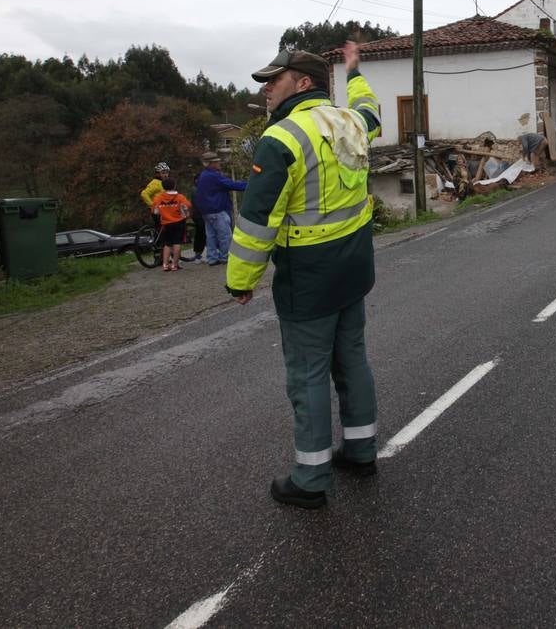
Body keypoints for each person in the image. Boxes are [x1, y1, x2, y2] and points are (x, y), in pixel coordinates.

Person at [228, 42, 382, 510]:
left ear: (304, 83)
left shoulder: (281, 139)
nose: (266, 89)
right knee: (351, 360)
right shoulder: (351, 123)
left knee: (308, 375)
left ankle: (311, 478)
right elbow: (369, 108)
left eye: (274, 80)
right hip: (355, 267)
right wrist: (354, 70)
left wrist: (240, 280)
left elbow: (256, 222)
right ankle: (360, 451)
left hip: (309, 277)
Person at [195, 151, 248, 265]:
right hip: (217, 209)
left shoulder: (203, 175)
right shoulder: (213, 176)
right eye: (216, 161)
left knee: (211, 236)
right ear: (210, 163)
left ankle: (212, 258)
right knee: (225, 235)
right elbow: (231, 185)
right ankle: (225, 257)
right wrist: (250, 185)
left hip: (207, 211)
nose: (219, 163)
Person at [150, 177, 192, 271]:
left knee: (167, 244)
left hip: (166, 223)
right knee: (177, 243)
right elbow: (187, 206)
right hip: (178, 222)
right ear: (174, 185)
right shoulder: (180, 197)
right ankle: (174, 264)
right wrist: (186, 214)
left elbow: (155, 211)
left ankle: (165, 264)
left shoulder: (159, 197)